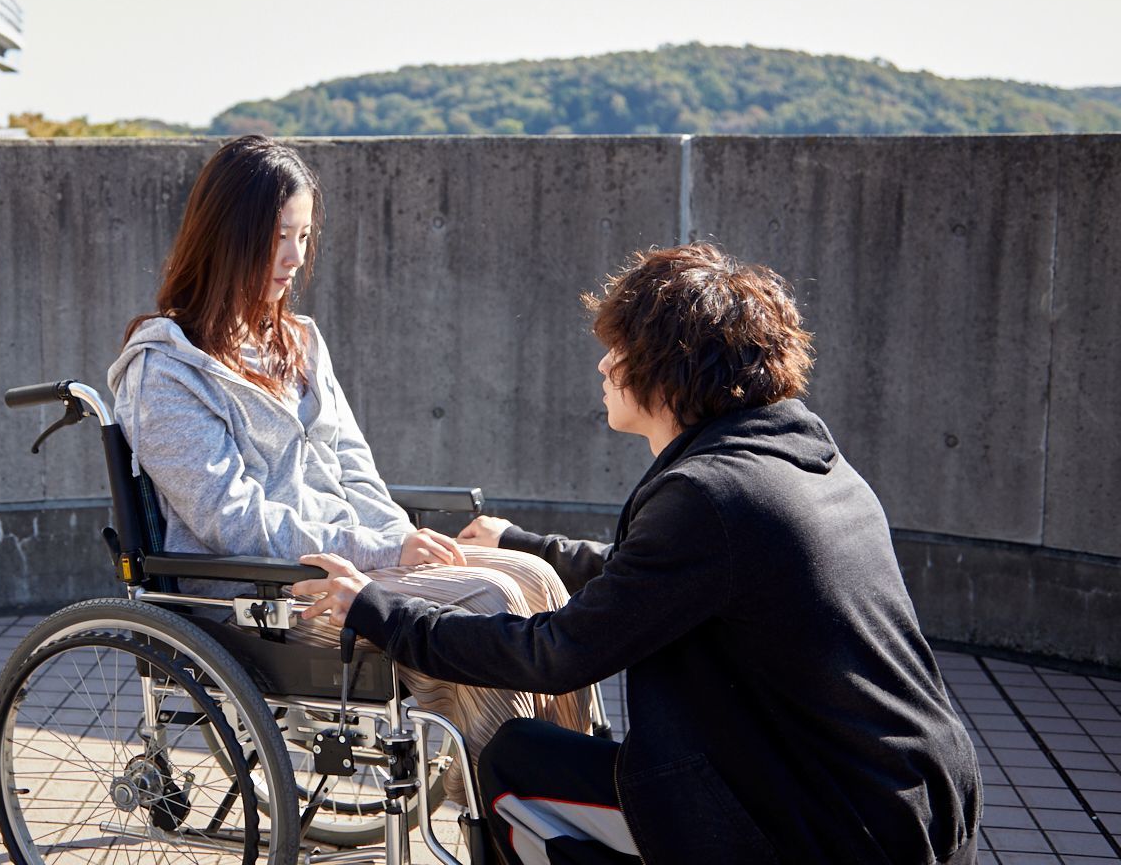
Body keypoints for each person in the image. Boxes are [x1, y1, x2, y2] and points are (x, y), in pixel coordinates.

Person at [296, 242, 982, 865]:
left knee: (514, 760)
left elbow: (557, 654)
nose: (602, 362)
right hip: (908, 802)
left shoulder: (709, 497)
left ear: (666, 366)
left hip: (827, 830)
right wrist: (523, 544)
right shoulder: (794, 459)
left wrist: (382, 612)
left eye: (619, 347)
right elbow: (660, 584)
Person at [108, 135, 604, 800]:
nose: (294, 257)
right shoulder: (164, 371)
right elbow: (234, 523)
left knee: (536, 577)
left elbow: (355, 470)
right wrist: (385, 545)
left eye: (304, 236)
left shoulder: (300, 341)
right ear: (226, 235)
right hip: (265, 593)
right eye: (277, 236)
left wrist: (402, 539)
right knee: (492, 602)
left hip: (352, 564)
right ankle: (503, 809)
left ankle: (579, 792)